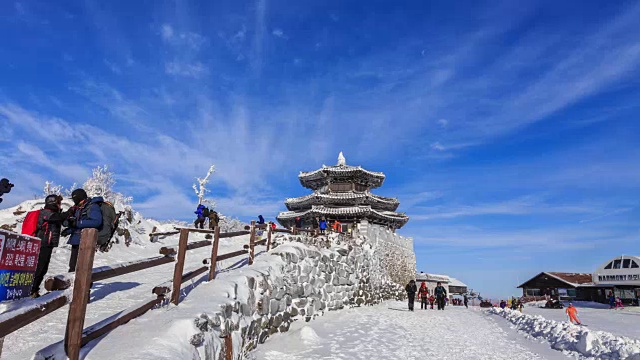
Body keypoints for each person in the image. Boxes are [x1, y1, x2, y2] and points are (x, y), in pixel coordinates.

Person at [31, 195, 68, 298]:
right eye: (58, 203)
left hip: (48, 244)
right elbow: (55, 218)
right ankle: (31, 290)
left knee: (43, 268)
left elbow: (61, 220)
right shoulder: (45, 213)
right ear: (53, 203)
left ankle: (34, 290)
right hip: (42, 244)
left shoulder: (54, 214)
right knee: (39, 268)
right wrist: (68, 213)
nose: (60, 205)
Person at [62, 189, 103, 272]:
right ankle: (73, 283)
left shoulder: (92, 206)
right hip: (76, 240)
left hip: (86, 241)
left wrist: (77, 223)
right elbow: (77, 224)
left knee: (82, 266)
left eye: (74, 199)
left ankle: (83, 284)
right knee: (73, 266)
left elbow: (97, 222)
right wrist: (68, 230)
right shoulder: (79, 208)